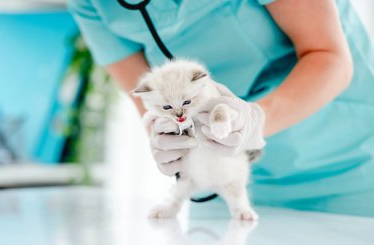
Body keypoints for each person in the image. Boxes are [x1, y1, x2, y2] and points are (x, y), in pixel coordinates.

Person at [68, 0, 374, 216]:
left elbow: (329, 56)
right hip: (230, 191)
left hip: (348, 170)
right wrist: (166, 142)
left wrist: (252, 122)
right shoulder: (92, 3)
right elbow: (149, 103)